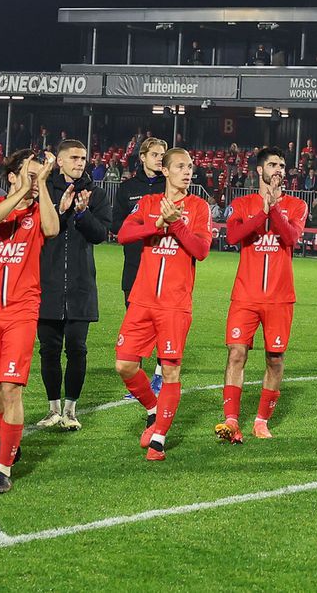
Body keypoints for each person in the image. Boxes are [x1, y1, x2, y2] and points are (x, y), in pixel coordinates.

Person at [113, 148, 212, 461]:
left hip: (174, 303)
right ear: (165, 171)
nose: (187, 171)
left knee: (170, 370)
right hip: (142, 299)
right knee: (125, 364)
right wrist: (159, 223)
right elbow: (124, 234)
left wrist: (177, 225)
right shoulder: (148, 203)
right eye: (180, 166)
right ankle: (154, 409)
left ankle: (158, 438)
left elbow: (201, 250)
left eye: (190, 167)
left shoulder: (199, 207)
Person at [0, 149, 61, 494]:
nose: (36, 181)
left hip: (22, 313)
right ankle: (9, 442)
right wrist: (24, 192)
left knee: (11, 388)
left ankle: (4, 469)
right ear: (12, 176)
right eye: (29, 173)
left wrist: (41, 188)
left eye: (41, 176)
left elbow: (53, 229)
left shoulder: (40, 213)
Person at [216, 148, 308, 444]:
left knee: (275, 359)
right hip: (245, 295)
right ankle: (231, 420)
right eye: (272, 164)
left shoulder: (296, 205)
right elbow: (233, 236)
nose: (278, 169)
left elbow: (292, 237)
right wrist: (263, 212)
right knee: (236, 353)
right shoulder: (241, 203)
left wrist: (275, 210)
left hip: (280, 298)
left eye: (282, 165)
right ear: (259, 170)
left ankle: (260, 421)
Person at [36, 140, 111, 431]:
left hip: (81, 285)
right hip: (47, 284)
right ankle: (52, 408)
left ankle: (70, 410)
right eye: (75, 158)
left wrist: (81, 214)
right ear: (60, 162)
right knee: (49, 349)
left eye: (83, 158)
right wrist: (62, 209)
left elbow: (100, 234)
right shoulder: (45, 190)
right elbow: (43, 229)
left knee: (77, 349)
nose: (81, 163)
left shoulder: (96, 193)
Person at [112, 137, 168, 395]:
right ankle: (140, 376)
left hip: (163, 265)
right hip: (134, 264)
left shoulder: (170, 186)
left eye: (163, 154)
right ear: (143, 157)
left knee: (163, 322)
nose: (160, 158)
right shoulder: (126, 189)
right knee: (135, 321)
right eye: (155, 154)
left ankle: (159, 376)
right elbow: (116, 226)